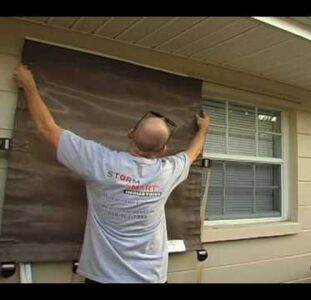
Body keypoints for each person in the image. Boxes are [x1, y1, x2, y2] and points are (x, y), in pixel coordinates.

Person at [13, 64, 210, 284]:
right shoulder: (168, 171)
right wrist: (203, 128)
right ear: (162, 151)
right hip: (151, 277)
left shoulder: (99, 161)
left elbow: (46, 127)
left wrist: (28, 83)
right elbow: (193, 153)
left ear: (130, 133)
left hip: (103, 277)